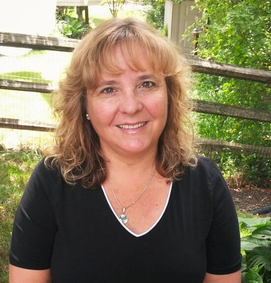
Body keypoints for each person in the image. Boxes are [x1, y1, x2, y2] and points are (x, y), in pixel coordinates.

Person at [9, 17, 242, 283]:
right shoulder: (52, 182)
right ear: (84, 106)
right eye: (109, 89)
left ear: (169, 94)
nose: (131, 106)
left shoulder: (205, 185)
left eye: (146, 84)